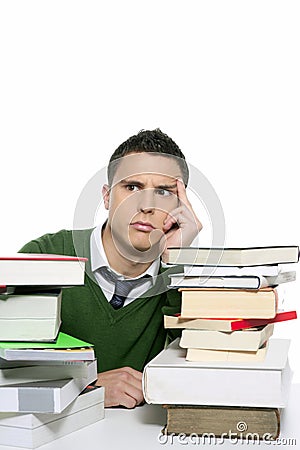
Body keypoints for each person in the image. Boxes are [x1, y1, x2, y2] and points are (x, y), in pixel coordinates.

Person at [19, 129, 202, 408]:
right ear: (106, 197)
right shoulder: (45, 256)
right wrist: (85, 388)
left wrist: (178, 261)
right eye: (132, 188)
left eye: (164, 192)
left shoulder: (180, 278)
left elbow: (199, 368)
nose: (146, 206)